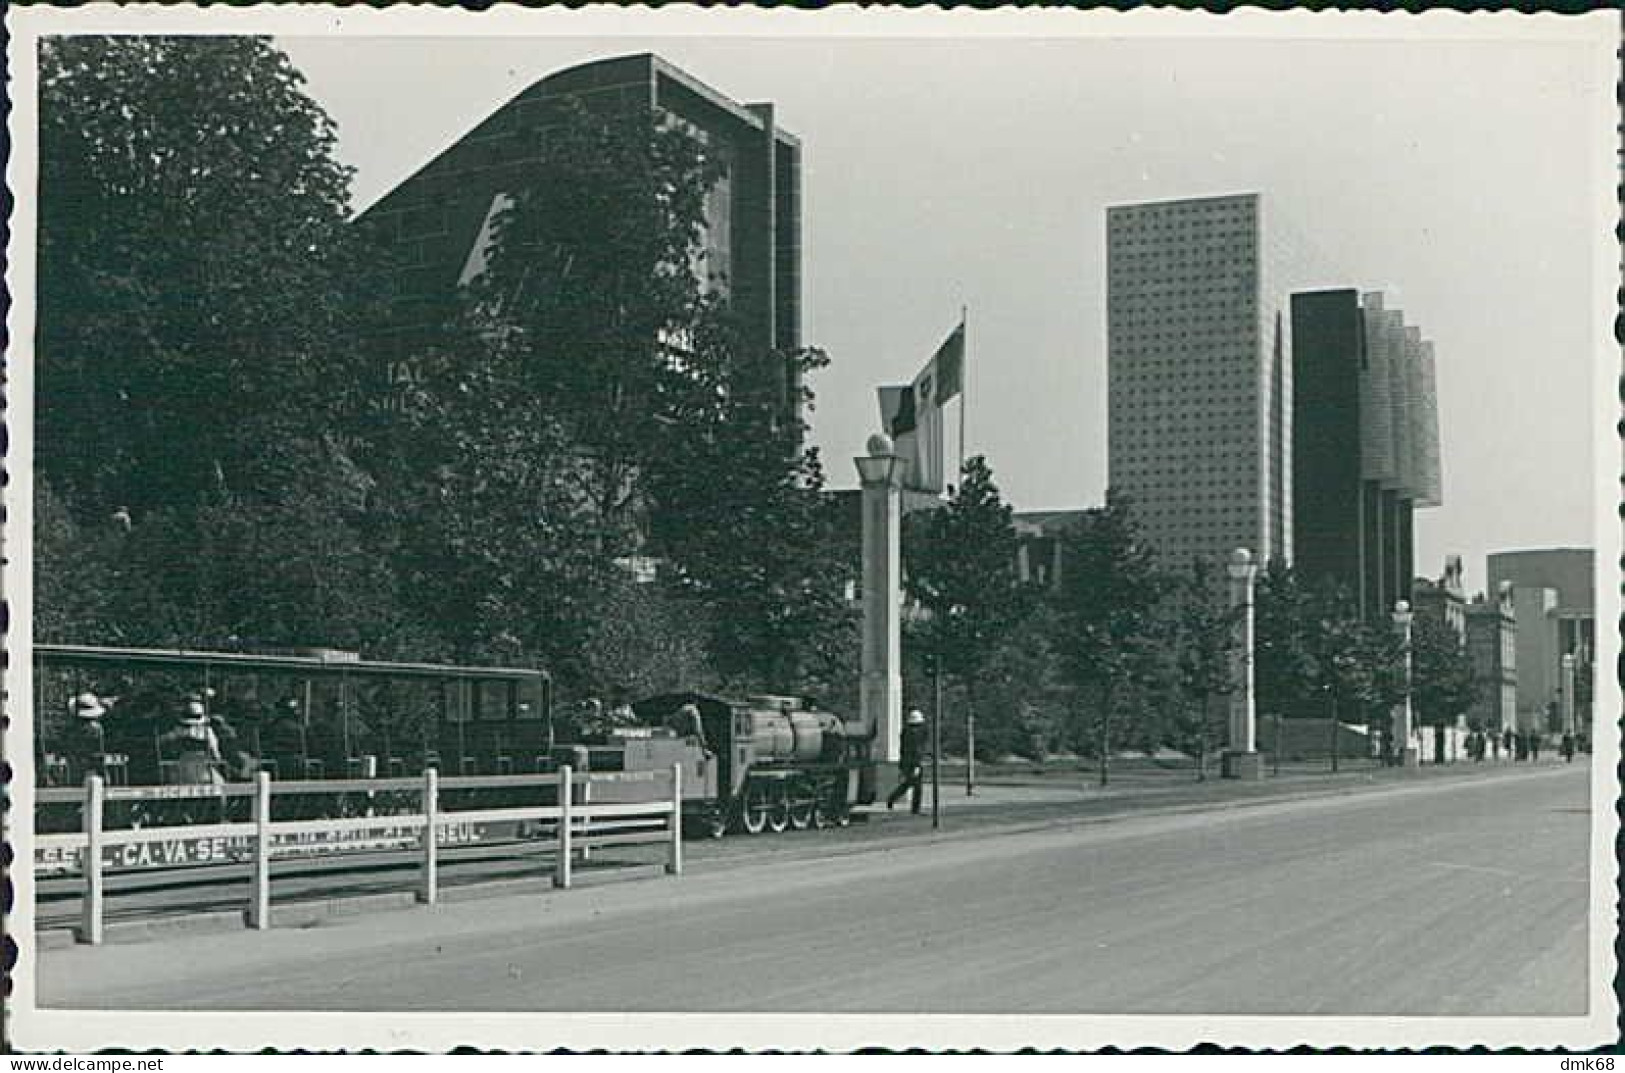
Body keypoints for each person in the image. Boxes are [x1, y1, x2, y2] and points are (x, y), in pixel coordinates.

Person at [161, 698, 225, 785]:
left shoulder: (178, 731)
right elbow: (216, 754)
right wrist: (218, 761)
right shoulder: (208, 731)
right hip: (203, 770)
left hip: (182, 771)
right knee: (220, 783)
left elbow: (163, 741)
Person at [886, 709, 928, 814]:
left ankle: (892, 799)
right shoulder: (915, 735)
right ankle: (914, 809)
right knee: (916, 786)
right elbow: (916, 751)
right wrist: (917, 765)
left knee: (908, 784)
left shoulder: (906, 732)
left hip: (906, 762)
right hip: (913, 762)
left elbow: (904, 750)